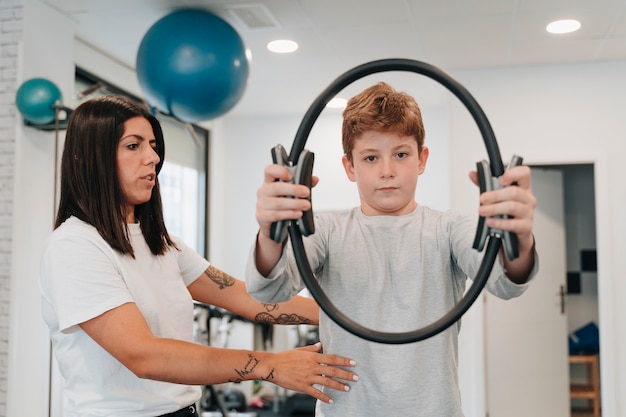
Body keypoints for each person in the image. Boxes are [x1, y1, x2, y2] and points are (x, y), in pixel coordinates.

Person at [39, 95, 358, 417]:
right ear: (88, 158)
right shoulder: (75, 246)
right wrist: (270, 365)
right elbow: (143, 355)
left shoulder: (163, 245)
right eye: (133, 146)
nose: (153, 157)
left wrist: (354, 317)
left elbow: (247, 298)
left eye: (152, 144)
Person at [246, 82, 538, 417]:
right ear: (350, 167)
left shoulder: (449, 228)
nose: (387, 171)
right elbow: (267, 289)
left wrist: (522, 237)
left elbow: (506, 282)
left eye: (400, 154)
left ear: (421, 159)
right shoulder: (324, 230)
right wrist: (271, 233)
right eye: (371, 158)